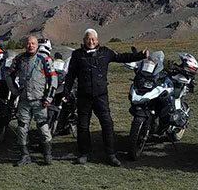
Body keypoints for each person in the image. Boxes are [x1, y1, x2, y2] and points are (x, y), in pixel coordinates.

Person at [62, 28, 147, 166]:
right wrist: (66, 92)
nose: (91, 41)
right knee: (82, 125)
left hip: (101, 96)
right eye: (88, 39)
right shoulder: (77, 55)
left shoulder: (105, 52)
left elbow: (122, 57)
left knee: (107, 124)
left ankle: (111, 154)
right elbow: (70, 75)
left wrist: (140, 56)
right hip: (83, 96)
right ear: (84, 40)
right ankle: (84, 153)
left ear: (97, 40)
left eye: (93, 39)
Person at [12, 35, 58, 166]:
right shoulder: (19, 59)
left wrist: (49, 97)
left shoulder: (44, 59)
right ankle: (25, 155)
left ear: (37, 45)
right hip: (24, 100)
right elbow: (8, 73)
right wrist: (14, 89)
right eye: (28, 43)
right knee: (21, 128)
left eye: (33, 43)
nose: (30, 46)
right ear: (24, 45)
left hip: (40, 100)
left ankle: (47, 154)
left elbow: (53, 78)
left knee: (44, 128)